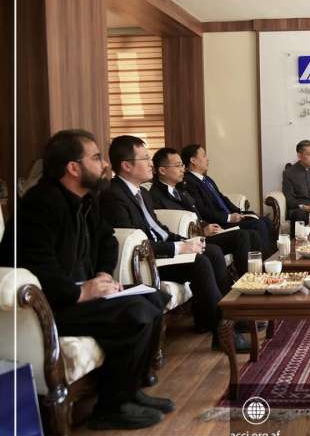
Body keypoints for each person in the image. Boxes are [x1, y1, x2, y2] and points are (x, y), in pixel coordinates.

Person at [5, 130, 173, 430]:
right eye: (96, 158)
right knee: (135, 312)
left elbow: (107, 240)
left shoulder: (87, 199)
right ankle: (111, 407)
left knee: (154, 297)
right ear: (73, 167)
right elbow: (37, 267)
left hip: (82, 294)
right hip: (50, 305)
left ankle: (130, 391)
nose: (104, 164)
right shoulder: (39, 204)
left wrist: (103, 275)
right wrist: (82, 292)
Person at [100, 136, 250, 352]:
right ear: (126, 166)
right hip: (145, 262)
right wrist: (178, 248)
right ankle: (222, 331)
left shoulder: (141, 193)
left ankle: (227, 317)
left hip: (159, 252)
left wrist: (185, 241)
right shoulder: (113, 196)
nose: (151, 164)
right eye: (145, 159)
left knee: (212, 250)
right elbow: (134, 244)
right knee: (200, 263)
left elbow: (158, 230)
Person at [149, 147, 259, 277]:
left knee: (251, 234)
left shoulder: (179, 190)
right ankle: (248, 281)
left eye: (182, 165)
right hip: (190, 240)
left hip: (203, 233)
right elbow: (170, 226)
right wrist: (201, 231)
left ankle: (259, 276)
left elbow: (196, 214)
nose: (182, 169)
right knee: (241, 236)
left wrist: (207, 226)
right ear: (162, 170)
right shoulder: (155, 196)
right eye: (178, 166)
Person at [180, 144, 273, 254]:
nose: (207, 159)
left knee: (265, 220)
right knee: (258, 224)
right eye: (204, 156)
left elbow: (222, 198)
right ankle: (267, 260)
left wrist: (239, 212)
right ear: (193, 160)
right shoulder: (189, 182)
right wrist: (228, 218)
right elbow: (202, 210)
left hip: (229, 217)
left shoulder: (207, 179)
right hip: (220, 223)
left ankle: (275, 256)